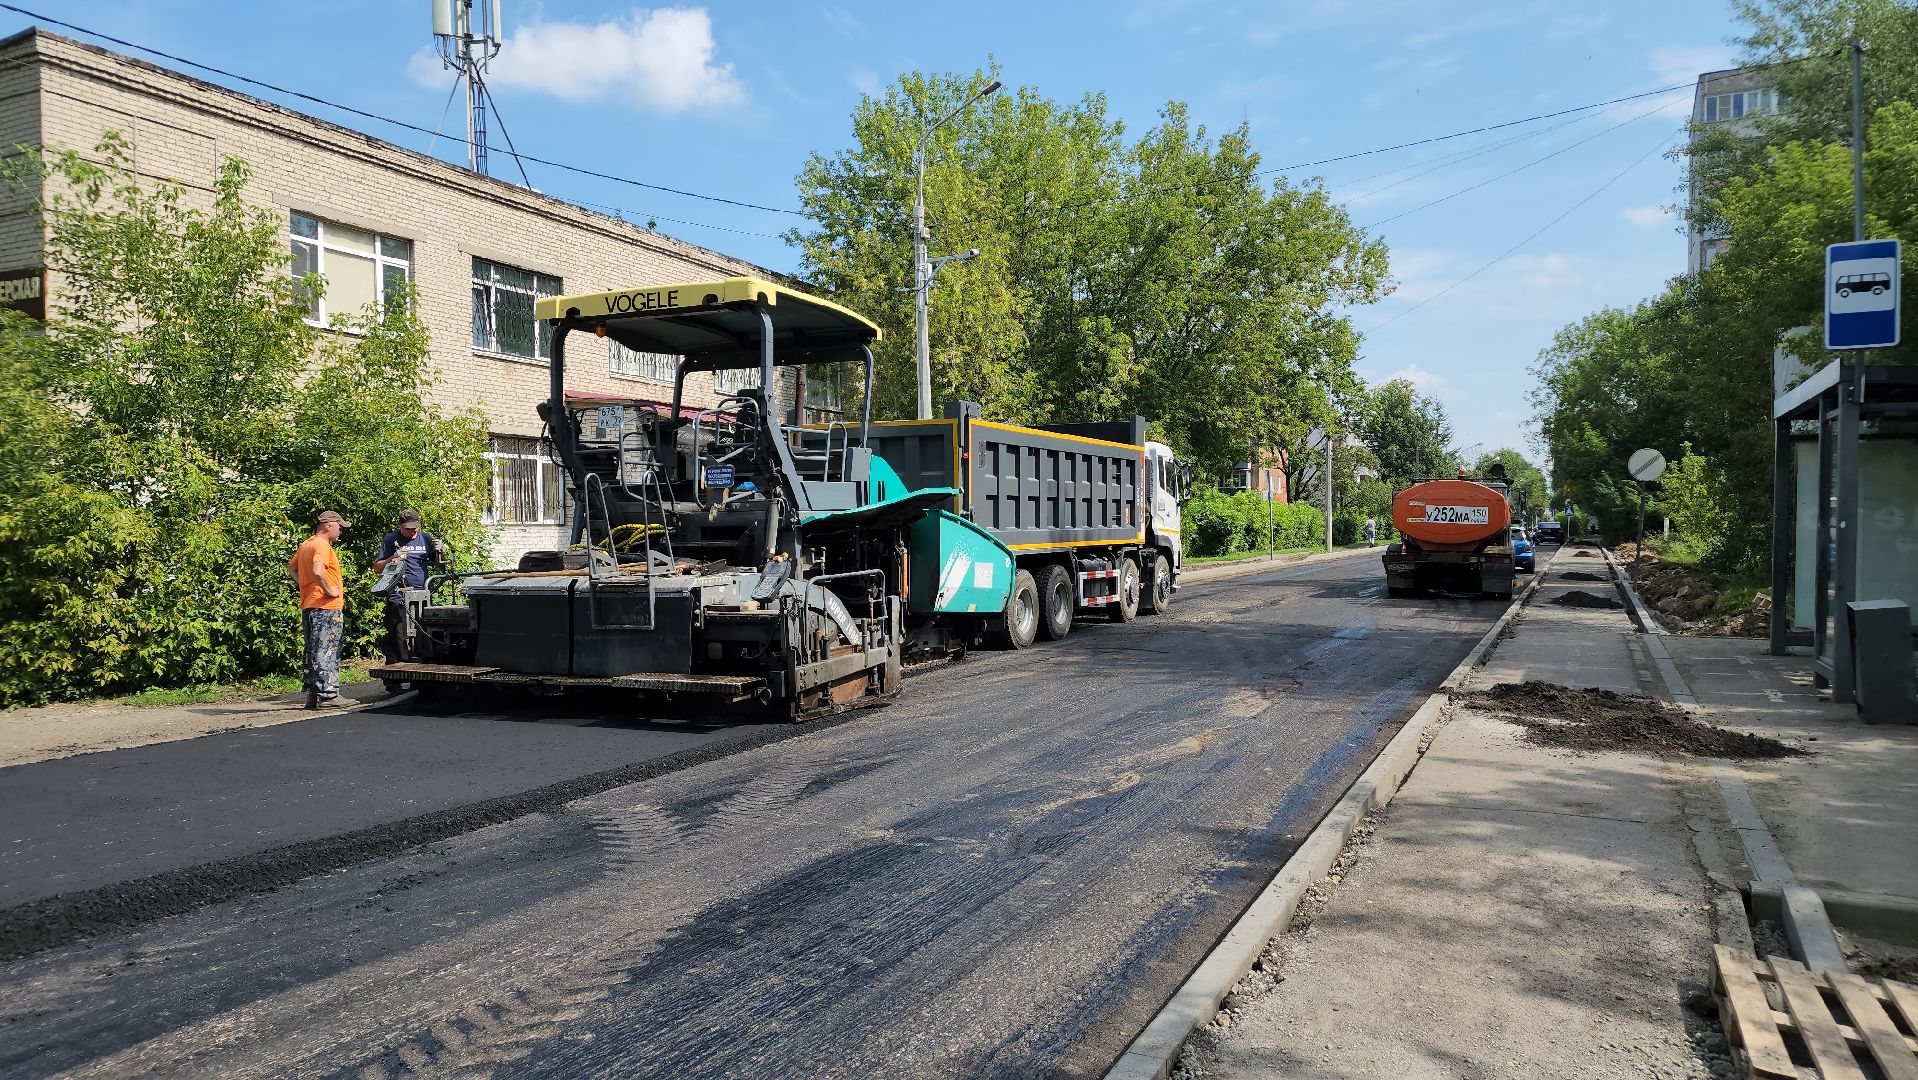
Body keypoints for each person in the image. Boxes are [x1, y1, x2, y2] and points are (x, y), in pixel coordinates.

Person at [290, 510, 350, 709]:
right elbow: (318, 570)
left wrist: (306, 586)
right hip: (326, 607)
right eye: (339, 527)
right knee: (327, 649)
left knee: (312, 650)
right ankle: (329, 695)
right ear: (328, 526)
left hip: (310, 604)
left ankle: (313, 694)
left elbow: (292, 568)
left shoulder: (307, 544)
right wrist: (329, 589)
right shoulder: (323, 546)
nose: (340, 531)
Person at [373, 509, 444, 672]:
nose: (412, 532)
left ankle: (418, 675)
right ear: (400, 525)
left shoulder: (424, 538)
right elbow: (377, 568)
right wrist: (392, 558)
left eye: (415, 528)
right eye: (408, 528)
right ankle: (394, 678)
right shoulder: (391, 540)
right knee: (398, 638)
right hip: (398, 596)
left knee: (422, 637)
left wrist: (440, 551)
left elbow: (440, 565)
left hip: (422, 596)